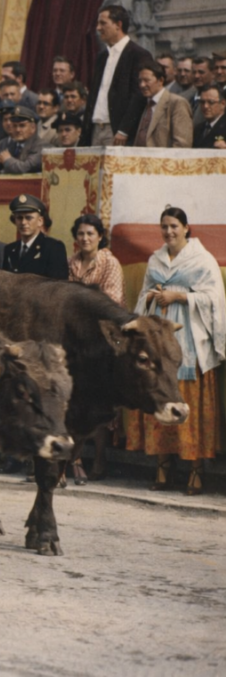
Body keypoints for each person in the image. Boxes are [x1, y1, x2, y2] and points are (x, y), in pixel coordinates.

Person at [126, 206, 225, 495]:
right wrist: (153, 296)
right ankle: (163, 465)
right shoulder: (155, 258)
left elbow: (214, 298)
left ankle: (195, 470)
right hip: (160, 333)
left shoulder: (202, 259)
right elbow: (143, 295)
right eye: (164, 227)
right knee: (159, 393)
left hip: (189, 337)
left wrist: (179, 295)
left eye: (174, 226)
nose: (168, 232)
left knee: (187, 399)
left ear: (185, 227)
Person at [67, 214, 125, 484]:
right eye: (80, 234)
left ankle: (100, 458)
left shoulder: (110, 263)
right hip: (78, 337)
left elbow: (110, 301)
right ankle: (75, 459)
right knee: (75, 399)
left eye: (90, 233)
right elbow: (66, 299)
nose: (85, 238)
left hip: (104, 338)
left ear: (100, 237)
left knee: (98, 401)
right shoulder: (73, 262)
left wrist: (81, 301)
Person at [85, 4, 153, 146]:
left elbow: (139, 95)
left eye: (103, 23)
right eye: (98, 23)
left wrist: (124, 129)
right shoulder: (102, 56)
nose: (98, 28)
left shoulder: (138, 54)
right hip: (95, 128)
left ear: (118, 25)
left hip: (117, 131)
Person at [1, 194, 68, 279]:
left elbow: (59, 286)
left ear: (40, 221)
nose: (23, 222)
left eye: (28, 218)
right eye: (19, 218)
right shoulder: (10, 249)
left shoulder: (54, 248)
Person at [133, 59, 193, 148]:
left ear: (160, 80)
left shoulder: (176, 103)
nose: (142, 85)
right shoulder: (146, 103)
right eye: (140, 81)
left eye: (146, 80)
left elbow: (182, 144)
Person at [0, 106, 43, 174]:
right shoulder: (6, 145)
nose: (17, 130)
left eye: (22, 126)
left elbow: (24, 169)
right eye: (14, 126)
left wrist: (8, 160)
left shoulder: (41, 146)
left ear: (33, 128)